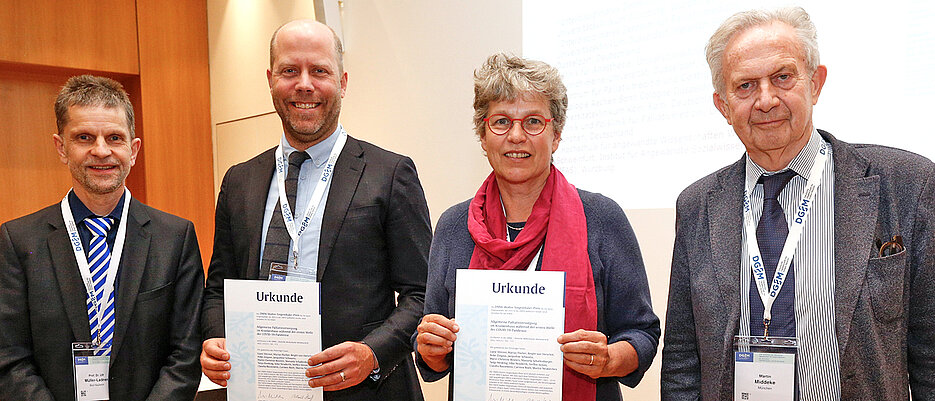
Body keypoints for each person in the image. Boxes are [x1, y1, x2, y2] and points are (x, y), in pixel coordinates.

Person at [660, 7, 935, 400]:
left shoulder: (907, 183)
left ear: (816, 83)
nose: (766, 99)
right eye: (745, 86)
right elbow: (683, 360)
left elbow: (930, 350)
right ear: (722, 106)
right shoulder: (697, 207)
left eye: (782, 77)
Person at [200, 19, 431, 400]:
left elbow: (422, 293)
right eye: (290, 71)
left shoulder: (390, 173)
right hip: (262, 387)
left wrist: (373, 353)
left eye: (319, 71)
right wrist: (214, 339)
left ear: (342, 82)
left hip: (363, 392)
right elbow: (218, 290)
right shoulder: (239, 181)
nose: (304, 84)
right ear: (270, 79)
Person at [414, 53, 660, 401]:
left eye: (533, 122)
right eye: (501, 121)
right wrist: (430, 347)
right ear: (483, 136)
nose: (516, 136)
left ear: (556, 135)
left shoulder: (602, 218)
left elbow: (642, 333)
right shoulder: (454, 225)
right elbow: (432, 353)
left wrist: (608, 359)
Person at [0, 75, 204, 400]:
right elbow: (9, 358)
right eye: (84, 137)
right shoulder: (18, 241)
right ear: (61, 147)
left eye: (114, 137)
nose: (101, 150)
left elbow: (185, 353)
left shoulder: (175, 239)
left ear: (133, 150)